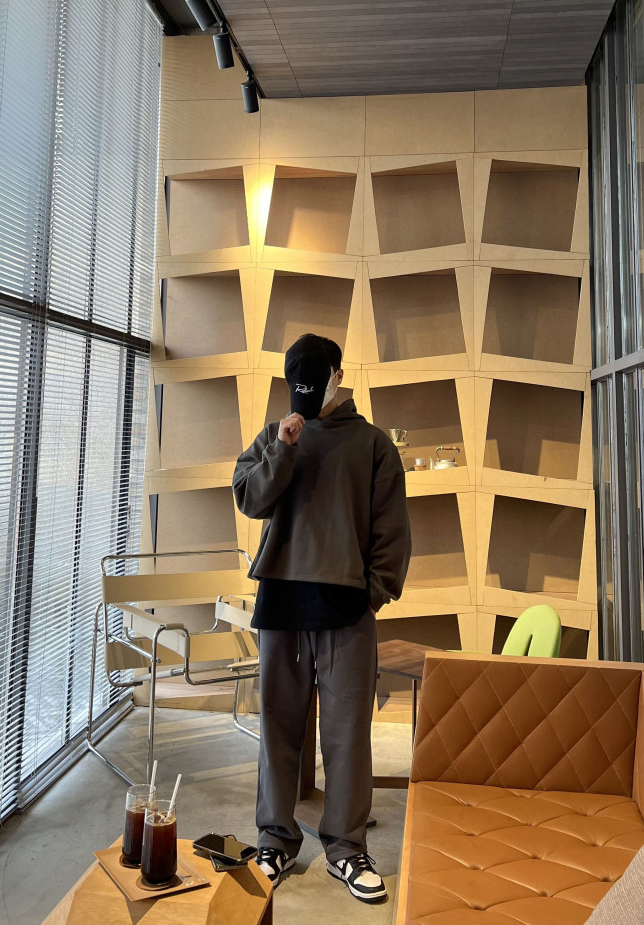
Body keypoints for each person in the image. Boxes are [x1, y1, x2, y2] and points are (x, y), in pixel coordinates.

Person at [232, 332, 411, 903]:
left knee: (347, 735)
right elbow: (249, 498)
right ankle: (275, 840)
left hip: (346, 611)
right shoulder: (275, 434)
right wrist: (283, 449)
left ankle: (347, 848)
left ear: (337, 376)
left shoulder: (373, 444)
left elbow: (392, 532)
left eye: (314, 383)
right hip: (282, 604)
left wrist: (372, 595)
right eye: (296, 387)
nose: (305, 395)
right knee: (278, 728)